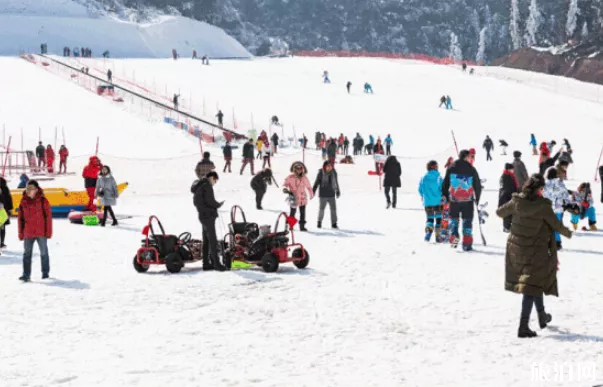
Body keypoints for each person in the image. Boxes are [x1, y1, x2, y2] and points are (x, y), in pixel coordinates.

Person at [496, 174, 572, 338]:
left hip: (516, 250)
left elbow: (499, 212)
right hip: (536, 250)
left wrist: (513, 218)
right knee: (530, 286)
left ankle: (542, 317)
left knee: (534, 282)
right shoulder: (543, 206)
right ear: (539, 189)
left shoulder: (517, 201)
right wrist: (569, 233)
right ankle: (523, 327)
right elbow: (556, 225)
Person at [441, 150, 482, 251]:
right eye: (469, 156)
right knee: (467, 221)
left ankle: (454, 236)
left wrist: (446, 196)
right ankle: (466, 244)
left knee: (454, 220)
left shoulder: (451, 168)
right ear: (466, 157)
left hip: (454, 199)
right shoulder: (471, 168)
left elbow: (445, 184)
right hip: (467, 200)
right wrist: (477, 198)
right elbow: (477, 185)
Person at [17, 180, 52, 282]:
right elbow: (20, 219)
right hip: (28, 232)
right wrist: (20, 233)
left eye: (31, 188)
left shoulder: (43, 201)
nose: (28, 190)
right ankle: (26, 274)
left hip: (41, 232)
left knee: (44, 253)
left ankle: (45, 273)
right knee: (26, 254)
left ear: (36, 189)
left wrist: (48, 232)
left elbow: (48, 218)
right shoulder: (23, 201)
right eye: (27, 188)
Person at [191, 172, 226, 271]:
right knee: (212, 240)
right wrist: (218, 205)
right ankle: (216, 264)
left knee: (206, 240)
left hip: (202, 215)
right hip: (208, 216)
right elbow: (210, 201)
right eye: (215, 180)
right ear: (211, 177)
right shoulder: (207, 186)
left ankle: (206, 263)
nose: (214, 182)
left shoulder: (199, 186)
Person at [543, 167, 571, 250]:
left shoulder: (545, 184)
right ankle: (557, 243)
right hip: (559, 208)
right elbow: (566, 195)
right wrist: (566, 204)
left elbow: (543, 196)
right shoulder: (560, 183)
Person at [283, 162, 313, 232]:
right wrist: (285, 189)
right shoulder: (290, 177)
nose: (298, 170)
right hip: (293, 197)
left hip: (302, 198)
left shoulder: (304, 178)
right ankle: (291, 226)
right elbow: (285, 184)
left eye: (300, 169)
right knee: (292, 212)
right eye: (297, 169)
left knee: (302, 212)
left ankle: (302, 226)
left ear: (302, 170)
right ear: (294, 170)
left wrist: (311, 194)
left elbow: (308, 187)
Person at [418, 161, 444, 241]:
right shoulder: (439, 178)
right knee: (439, 218)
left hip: (428, 202)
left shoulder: (423, 178)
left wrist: (423, 196)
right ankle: (438, 235)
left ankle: (428, 232)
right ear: (435, 167)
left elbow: (420, 189)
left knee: (430, 218)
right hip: (438, 202)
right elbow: (443, 188)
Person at [313, 161, 340, 229]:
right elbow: (317, 182)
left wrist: (337, 191)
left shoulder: (334, 172)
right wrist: (313, 190)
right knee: (322, 209)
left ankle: (334, 223)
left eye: (330, 166)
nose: (329, 167)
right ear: (325, 166)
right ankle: (319, 222)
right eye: (328, 166)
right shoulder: (321, 173)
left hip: (331, 194)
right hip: (323, 194)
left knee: (333, 209)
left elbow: (336, 182)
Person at [499, 163, 520, 232]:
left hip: (508, 196)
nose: (513, 170)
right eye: (512, 169)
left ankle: (507, 227)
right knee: (507, 213)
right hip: (506, 197)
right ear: (508, 169)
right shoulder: (506, 176)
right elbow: (508, 188)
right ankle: (506, 227)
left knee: (509, 213)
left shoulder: (509, 175)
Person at [0, 176, 14, 249]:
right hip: (3, 210)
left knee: (2, 226)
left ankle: (1, 243)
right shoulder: (4, 186)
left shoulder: (4, 187)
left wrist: (10, 208)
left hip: (2, 210)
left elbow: (8, 197)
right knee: (2, 227)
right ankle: (1, 243)